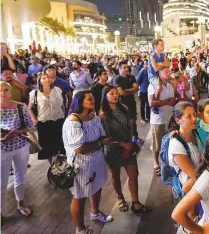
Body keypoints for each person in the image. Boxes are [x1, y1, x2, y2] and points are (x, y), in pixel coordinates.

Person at [62, 90, 114, 234]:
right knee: (80, 195)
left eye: (92, 98)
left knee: (96, 186)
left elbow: (103, 134)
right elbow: (80, 148)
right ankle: (81, 229)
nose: (93, 101)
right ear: (80, 102)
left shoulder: (93, 116)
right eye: (89, 99)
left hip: (96, 160)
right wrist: (100, 143)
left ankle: (95, 212)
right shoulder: (74, 121)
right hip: (81, 164)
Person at [100, 85, 152, 214]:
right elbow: (106, 137)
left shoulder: (124, 108)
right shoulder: (103, 114)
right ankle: (120, 197)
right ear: (105, 96)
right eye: (111, 93)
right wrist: (123, 145)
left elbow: (129, 127)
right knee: (115, 175)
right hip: (112, 149)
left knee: (134, 174)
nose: (115, 95)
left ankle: (136, 202)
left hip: (128, 146)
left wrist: (129, 143)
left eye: (116, 93)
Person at [1, 81, 33, 222]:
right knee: (1, 181)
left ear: (10, 91)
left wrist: (18, 132)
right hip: (2, 148)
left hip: (21, 145)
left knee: (21, 175)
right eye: (0, 90)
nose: (3, 93)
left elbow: (30, 125)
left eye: (6, 90)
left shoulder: (21, 106)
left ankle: (20, 204)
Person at [168, 101, 202, 222]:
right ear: (178, 120)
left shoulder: (195, 133)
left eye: (194, 114)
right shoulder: (176, 145)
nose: (194, 119)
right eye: (189, 116)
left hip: (198, 187)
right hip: (190, 190)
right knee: (193, 219)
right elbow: (195, 175)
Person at [28, 72, 65, 164]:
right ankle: (52, 166)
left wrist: (63, 114)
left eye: (48, 77)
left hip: (58, 120)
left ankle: (61, 165)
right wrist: (35, 120)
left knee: (59, 144)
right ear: (39, 81)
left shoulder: (57, 90)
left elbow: (62, 105)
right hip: (44, 122)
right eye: (44, 78)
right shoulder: (35, 93)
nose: (47, 80)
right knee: (47, 146)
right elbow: (29, 108)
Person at [148, 66, 176, 176]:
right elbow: (152, 103)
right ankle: (156, 163)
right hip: (158, 119)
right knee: (156, 143)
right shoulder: (153, 86)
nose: (168, 73)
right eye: (165, 71)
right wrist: (167, 101)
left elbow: (171, 100)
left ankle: (167, 162)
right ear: (159, 73)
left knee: (168, 141)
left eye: (169, 71)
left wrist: (173, 101)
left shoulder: (169, 85)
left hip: (169, 117)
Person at [113, 61, 144, 145]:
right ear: (119, 68)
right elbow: (121, 93)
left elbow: (136, 88)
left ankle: (135, 137)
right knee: (123, 122)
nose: (127, 69)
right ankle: (125, 139)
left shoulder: (131, 77)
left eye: (127, 67)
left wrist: (125, 90)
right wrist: (130, 90)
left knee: (133, 121)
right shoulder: (117, 79)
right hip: (121, 103)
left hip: (131, 102)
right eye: (124, 68)